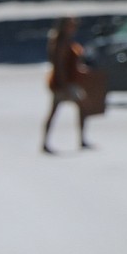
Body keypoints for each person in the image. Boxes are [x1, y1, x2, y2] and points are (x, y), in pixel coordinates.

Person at [42, 16, 93, 154]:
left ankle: (46, 142)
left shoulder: (65, 40)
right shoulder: (61, 42)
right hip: (63, 82)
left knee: (77, 108)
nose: (74, 28)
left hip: (67, 81)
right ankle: (46, 143)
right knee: (78, 107)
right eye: (71, 25)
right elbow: (59, 64)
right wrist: (63, 84)